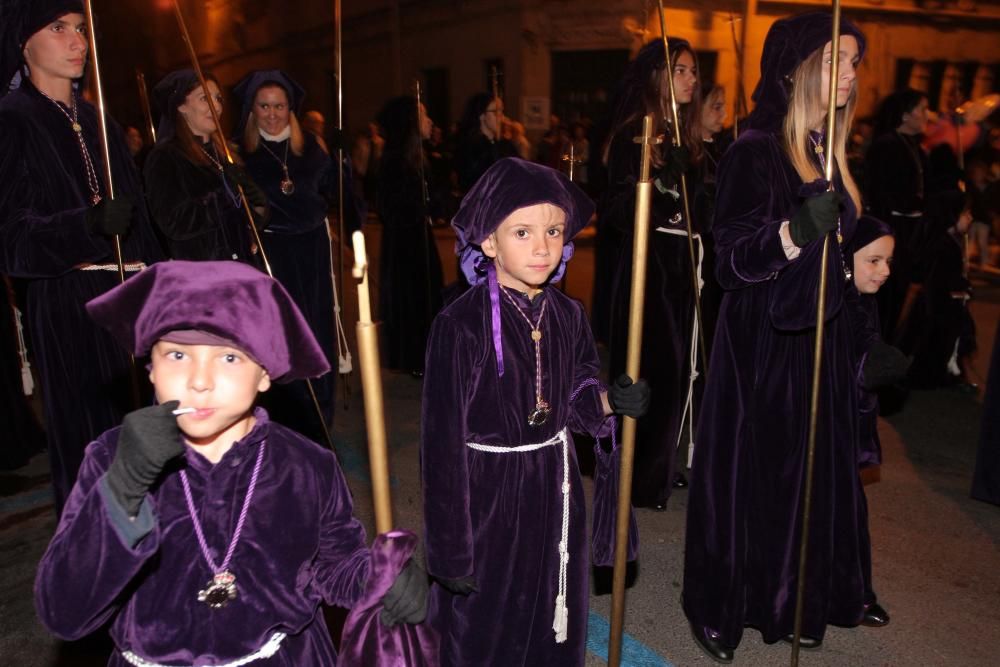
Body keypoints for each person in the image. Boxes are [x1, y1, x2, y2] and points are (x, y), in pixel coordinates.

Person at [35, 260, 428, 665]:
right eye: (177, 354)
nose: (199, 380)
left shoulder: (308, 465)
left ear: (264, 373)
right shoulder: (111, 459)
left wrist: (378, 579)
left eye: (228, 358)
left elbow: (333, 564)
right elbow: (64, 614)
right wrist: (123, 490)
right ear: (150, 368)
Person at [682, 13, 888, 661]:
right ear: (799, 68)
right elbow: (732, 261)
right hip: (765, 347)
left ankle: (818, 591)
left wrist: (868, 243)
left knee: (820, 471)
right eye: (840, 58)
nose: (854, 72)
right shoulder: (755, 150)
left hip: (824, 336)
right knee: (758, 475)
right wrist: (794, 233)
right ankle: (729, 600)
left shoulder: (829, 147)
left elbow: (845, 235)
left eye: (856, 59)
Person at [421, 157, 648, 666]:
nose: (543, 247)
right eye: (522, 232)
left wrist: (611, 402)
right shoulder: (459, 325)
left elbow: (579, 394)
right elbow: (439, 445)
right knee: (486, 617)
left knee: (552, 604)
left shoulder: (569, 314)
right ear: (488, 242)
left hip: (555, 484)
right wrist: (450, 549)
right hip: (488, 494)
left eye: (553, 231)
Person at [0, 0, 164, 513]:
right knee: (98, 460)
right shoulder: (12, 121)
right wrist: (85, 225)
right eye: (58, 28)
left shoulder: (98, 119)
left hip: (132, 302)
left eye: (80, 28)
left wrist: (166, 290)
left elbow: (141, 222)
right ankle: (101, 571)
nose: (78, 42)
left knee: (151, 450)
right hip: (71, 305)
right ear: (24, 43)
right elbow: (12, 240)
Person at [602, 37, 703, 508]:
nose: (691, 79)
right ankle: (638, 476)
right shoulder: (633, 134)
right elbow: (619, 211)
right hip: (651, 265)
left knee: (682, 367)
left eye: (693, 71)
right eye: (681, 70)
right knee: (651, 367)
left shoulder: (688, 133)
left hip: (686, 263)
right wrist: (659, 182)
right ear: (658, 76)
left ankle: (661, 465)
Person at [233, 69, 341, 439]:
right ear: (253, 110)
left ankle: (319, 415)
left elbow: (333, 194)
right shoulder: (239, 154)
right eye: (264, 106)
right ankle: (282, 420)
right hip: (271, 252)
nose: (273, 113)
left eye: (279, 106)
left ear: (290, 109)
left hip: (311, 250)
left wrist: (341, 165)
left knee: (315, 328)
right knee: (278, 335)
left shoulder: (310, 146)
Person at [846, 216, 908, 631]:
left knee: (849, 513)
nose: (885, 271)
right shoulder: (828, 298)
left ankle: (852, 593)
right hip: (812, 429)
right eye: (874, 261)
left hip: (846, 426)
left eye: (888, 261)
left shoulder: (866, 300)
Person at [144, 69, 269, 262]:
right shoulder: (165, 157)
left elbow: (253, 221)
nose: (216, 106)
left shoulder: (225, 153)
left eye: (218, 98)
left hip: (243, 265)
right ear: (181, 106)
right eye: (205, 98)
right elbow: (174, 223)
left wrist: (256, 202)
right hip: (204, 273)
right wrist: (224, 196)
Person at [375, 95, 445, 375]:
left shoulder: (421, 158)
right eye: (424, 116)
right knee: (411, 298)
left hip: (418, 236)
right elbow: (391, 206)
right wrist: (421, 204)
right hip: (405, 242)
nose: (430, 122)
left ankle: (424, 354)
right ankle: (413, 357)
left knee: (426, 294)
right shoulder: (395, 161)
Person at [864, 88, 930, 339]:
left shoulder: (916, 147)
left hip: (911, 231)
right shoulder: (887, 145)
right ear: (904, 115)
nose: (927, 115)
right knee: (886, 299)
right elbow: (882, 192)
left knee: (902, 297)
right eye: (922, 109)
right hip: (893, 229)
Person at [453, 93, 518, 193]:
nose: (501, 117)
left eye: (502, 111)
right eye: (495, 112)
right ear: (482, 115)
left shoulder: (504, 144)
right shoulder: (470, 146)